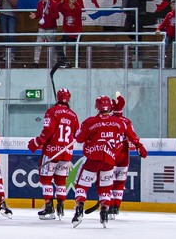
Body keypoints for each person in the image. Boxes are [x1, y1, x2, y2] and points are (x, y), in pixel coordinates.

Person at [71, 95, 146, 228]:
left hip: (93, 159)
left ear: (97, 107)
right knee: (105, 188)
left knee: (82, 185)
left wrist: (81, 135)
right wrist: (139, 146)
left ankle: (79, 210)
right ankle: (104, 212)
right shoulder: (119, 122)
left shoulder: (90, 121)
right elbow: (131, 136)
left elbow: (80, 138)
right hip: (109, 160)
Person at [28, 88, 79, 220]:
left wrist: (36, 142)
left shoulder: (52, 112)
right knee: (61, 180)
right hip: (66, 153)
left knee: (46, 179)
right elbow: (77, 134)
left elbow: (48, 129)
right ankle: (61, 205)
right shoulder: (73, 115)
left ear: (57, 97)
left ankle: (49, 207)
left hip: (51, 153)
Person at [107, 94, 145, 219]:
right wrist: (139, 146)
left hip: (111, 156)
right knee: (119, 183)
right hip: (123, 157)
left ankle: (110, 205)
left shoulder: (108, 120)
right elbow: (133, 136)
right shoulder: (126, 122)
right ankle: (116, 207)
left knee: (109, 182)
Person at [30, 0, 60, 67]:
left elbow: (57, 16)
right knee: (38, 44)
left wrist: (49, 13)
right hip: (42, 27)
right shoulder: (40, 3)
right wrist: (35, 16)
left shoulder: (53, 3)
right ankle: (36, 62)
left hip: (51, 28)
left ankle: (53, 63)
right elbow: (39, 14)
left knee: (52, 46)